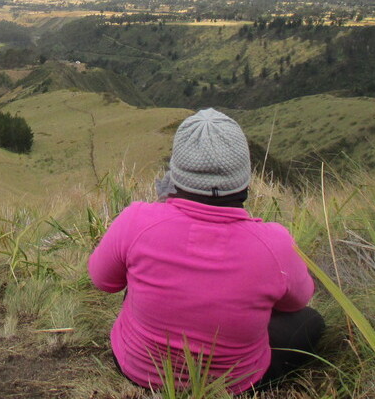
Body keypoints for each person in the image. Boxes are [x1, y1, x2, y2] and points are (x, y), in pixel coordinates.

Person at [88, 108, 324, 394]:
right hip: (232, 386)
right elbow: (296, 301)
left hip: (138, 371)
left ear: (175, 172)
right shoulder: (275, 243)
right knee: (311, 321)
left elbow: (104, 280)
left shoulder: (136, 221)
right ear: (245, 175)